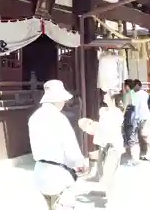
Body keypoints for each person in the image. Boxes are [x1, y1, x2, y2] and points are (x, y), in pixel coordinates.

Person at [28, 79, 88, 210]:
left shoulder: (34, 117)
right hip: (57, 174)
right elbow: (70, 147)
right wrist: (80, 163)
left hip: (40, 173)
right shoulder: (59, 118)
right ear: (57, 99)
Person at [79, 90, 124, 204]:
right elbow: (101, 129)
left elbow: (108, 128)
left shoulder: (117, 113)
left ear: (112, 98)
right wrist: (90, 125)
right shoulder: (103, 111)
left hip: (113, 145)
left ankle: (108, 201)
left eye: (106, 94)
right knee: (103, 172)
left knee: (108, 172)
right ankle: (109, 196)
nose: (104, 95)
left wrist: (93, 124)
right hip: (104, 145)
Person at [133, 79, 150, 161]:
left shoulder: (136, 95)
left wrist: (136, 118)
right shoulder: (145, 94)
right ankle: (148, 154)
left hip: (143, 117)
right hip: (148, 116)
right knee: (147, 135)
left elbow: (136, 107)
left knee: (144, 135)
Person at [122, 79, 138, 165]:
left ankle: (133, 158)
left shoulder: (127, 95)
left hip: (129, 117)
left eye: (124, 86)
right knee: (134, 137)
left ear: (127, 86)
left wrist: (121, 117)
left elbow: (124, 108)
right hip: (135, 117)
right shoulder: (134, 94)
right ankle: (134, 156)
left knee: (130, 138)